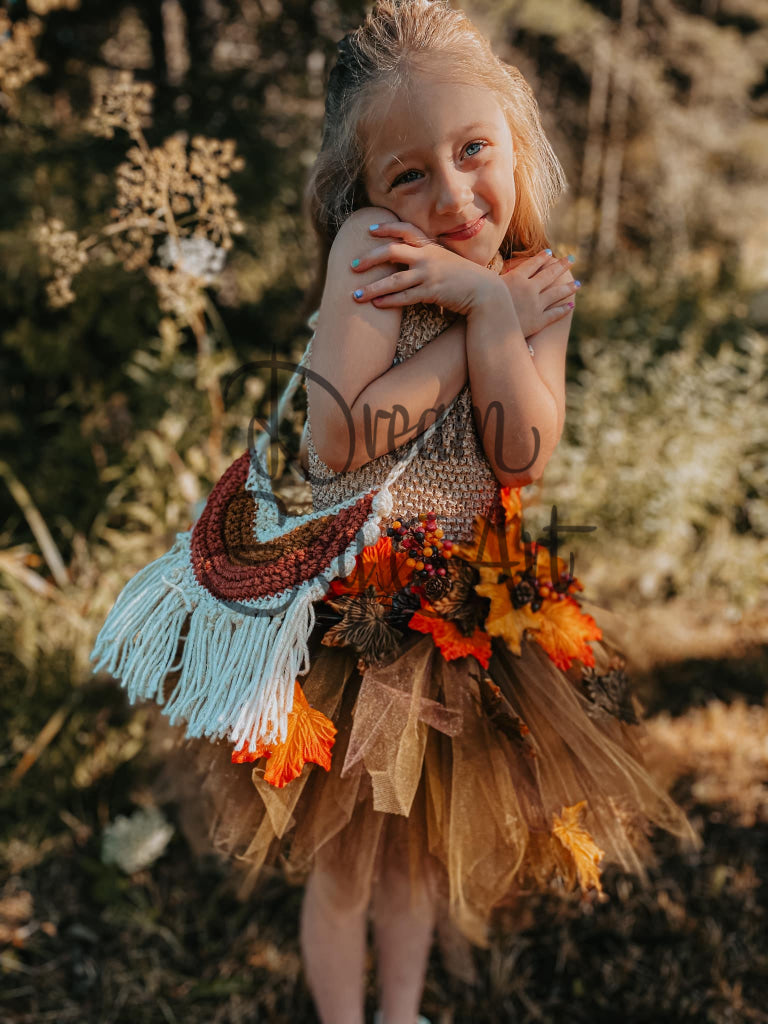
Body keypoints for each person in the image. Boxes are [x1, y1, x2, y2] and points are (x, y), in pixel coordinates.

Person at [91, 3, 701, 1023]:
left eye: (475, 151)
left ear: (516, 142)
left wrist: (495, 301)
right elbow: (341, 437)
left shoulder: (529, 277)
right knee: (345, 862)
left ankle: (403, 1010)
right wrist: (472, 322)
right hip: (355, 616)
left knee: (417, 857)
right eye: (409, 172)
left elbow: (523, 451)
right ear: (362, 192)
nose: (454, 192)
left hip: (460, 618)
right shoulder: (374, 254)